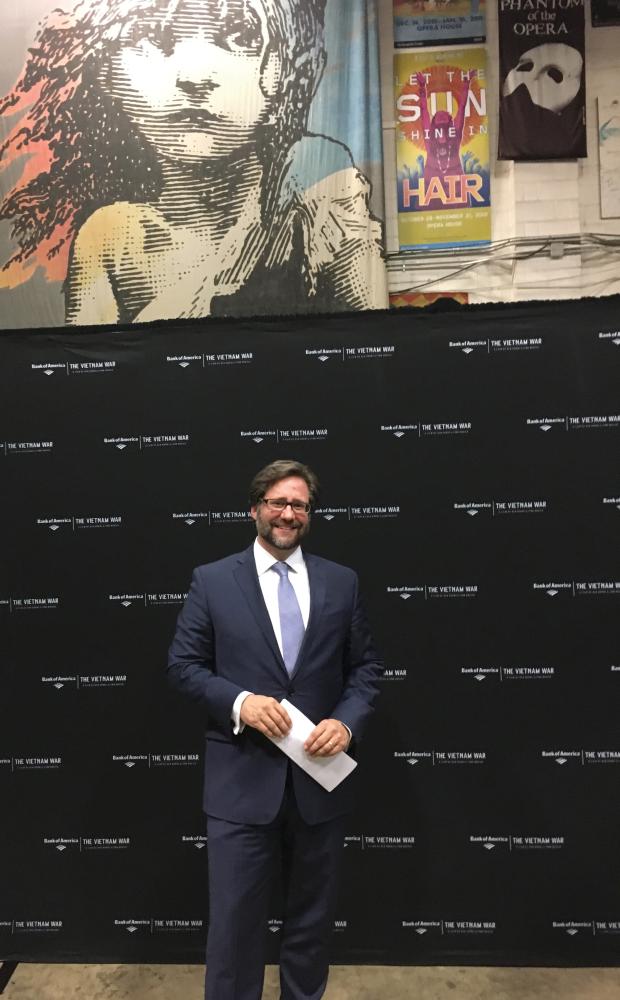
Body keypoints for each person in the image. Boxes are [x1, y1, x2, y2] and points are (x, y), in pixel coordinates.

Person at [0, 0, 386, 323]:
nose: (195, 75)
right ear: (108, 73)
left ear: (289, 71)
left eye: (241, 36)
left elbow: (368, 344)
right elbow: (93, 384)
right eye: (153, 36)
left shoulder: (319, 183)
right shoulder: (109, 239)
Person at [167, 459, 383, 1000]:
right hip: (240, 785)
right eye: (278, 502)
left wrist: (347, 722)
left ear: (309, 514)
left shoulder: (342, 582)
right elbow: (183, 665)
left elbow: (365, 670)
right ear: (255, 509)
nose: (288, 514)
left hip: (319, 783)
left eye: (299, 505)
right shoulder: (213, 580)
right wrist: (240, 702)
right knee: (235, 930)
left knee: (310, 929)